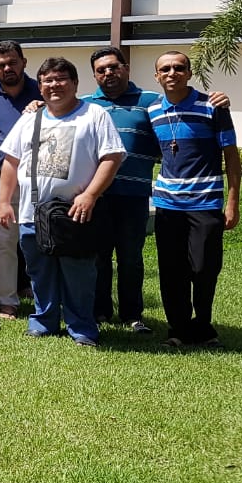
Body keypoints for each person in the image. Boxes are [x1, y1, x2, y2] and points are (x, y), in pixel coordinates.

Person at [83, 46, 231, 334]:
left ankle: (131, 314)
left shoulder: (151, 102)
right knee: (98, 257)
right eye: (101, 70)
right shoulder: (86, 105)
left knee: (131, 258)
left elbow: (181, 109)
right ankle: (100, 311)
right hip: (97, 195)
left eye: (114, 67)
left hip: (135, 195)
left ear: (126, 68)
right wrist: (36, 105)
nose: (108, 73)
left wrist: (218, 98)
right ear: (94, 75)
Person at [0, 58, 125, 348]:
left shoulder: (94, 115)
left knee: (78, 272)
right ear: (40, 86)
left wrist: (90, 194)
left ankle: (82, 327)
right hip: (32, 212)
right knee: (39, 272)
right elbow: (11, 161)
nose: (54, 85)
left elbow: (112, 157)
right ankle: (44, 320)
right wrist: (5, 202)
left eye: (61, 79)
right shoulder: (30, 118)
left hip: (74, 212)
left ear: (75, 83)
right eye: (47, 81)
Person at [148, 50, 241, 350]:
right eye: (165, 69)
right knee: (172, 270)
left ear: (189, 73)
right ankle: (177, 329)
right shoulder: (152, 111)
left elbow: (231, 156)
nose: (172, 73)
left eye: (179, 67)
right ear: (157, 76)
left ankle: (203, 325)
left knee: (204, 268)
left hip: (205, 203)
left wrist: (232, 202)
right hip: (167, 204)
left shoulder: (213, 107)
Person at [0, 40, 40, 319]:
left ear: (24, 62)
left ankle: (45, 298)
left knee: (41, 240)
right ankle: (8, 301)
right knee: (3, 242)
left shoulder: (43, 91)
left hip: (39, 179)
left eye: (12, 62)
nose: (8, 68)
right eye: (1, 65)